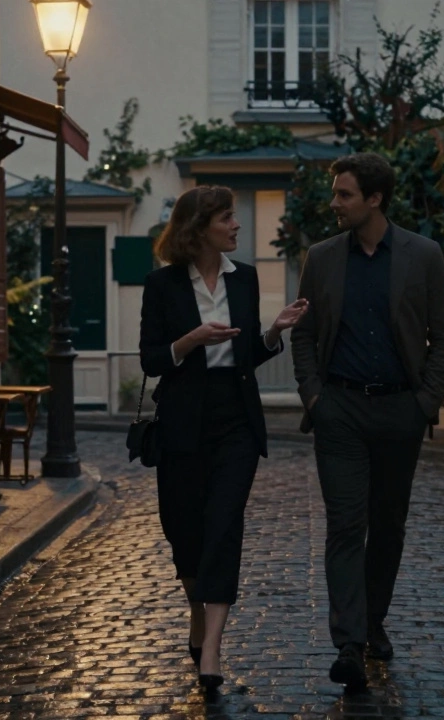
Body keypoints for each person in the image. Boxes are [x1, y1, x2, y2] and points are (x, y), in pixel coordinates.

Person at [290, 153, 444, 690]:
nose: (334, 203)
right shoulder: (320, 257)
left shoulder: (422, 255)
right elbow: (303, 332)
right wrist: (314, 395)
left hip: (399, 411)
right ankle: (348, 644)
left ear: (375, 199)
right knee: (345, 525)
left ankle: (373, 621)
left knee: (387, 526)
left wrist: (424, 404)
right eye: (336, 193)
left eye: (344, 195)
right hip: (338, 410)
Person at [139, 185, 308, 692]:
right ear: (199, 228)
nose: (237, 226)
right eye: (227, 219)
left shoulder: (246, 280)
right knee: (184, 532)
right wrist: (192, 340)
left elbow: (244, 357)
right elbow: (150, 360)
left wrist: (273, 333)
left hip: (235, 419)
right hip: (183, 423)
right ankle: (198, 615)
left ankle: (211, 649)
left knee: (223, 527)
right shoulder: (162, 285)